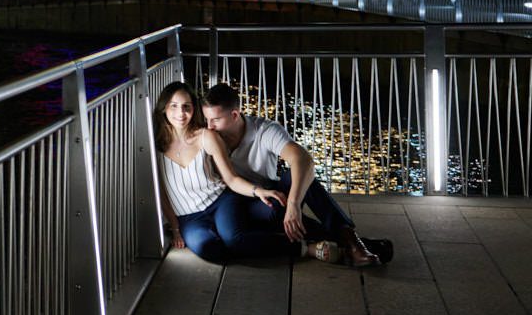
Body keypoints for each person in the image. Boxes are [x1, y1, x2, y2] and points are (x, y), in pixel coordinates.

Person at [202, 83, 392, 266]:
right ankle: (355, 243)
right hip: (230, 203)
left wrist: (294, 204)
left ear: (235, 115)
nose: (209, 126)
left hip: (267, 198)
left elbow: (304, 160)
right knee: (278, 213)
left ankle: (350, 241)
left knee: (298, 178)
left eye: (215, 120)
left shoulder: (264, 130)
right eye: (206, 119)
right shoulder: (207, 136)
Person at [154, 81, 339, 263]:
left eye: (186, 106)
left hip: (226, 200)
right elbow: (160, 192)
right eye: (174, 106)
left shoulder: (215, 135)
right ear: (164, 108)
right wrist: (176, 227)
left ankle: (334, 238)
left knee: (253, 225)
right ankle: (327, 237)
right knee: (210, 249)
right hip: (194, 214)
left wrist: (285, 200)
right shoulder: (157, 146)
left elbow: (232, 179)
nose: (181, 113)